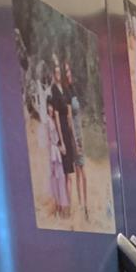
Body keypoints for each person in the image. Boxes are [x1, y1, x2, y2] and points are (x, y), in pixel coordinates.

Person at [50, 52, 76, 212]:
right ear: (54, 74)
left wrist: (72, 136)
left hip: (67, 131)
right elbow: (58, 118)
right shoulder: (54, 91)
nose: (59, 74)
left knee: (69, 173)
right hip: (62, 134)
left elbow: (68, 114)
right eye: (57, 72)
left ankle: (70, 205)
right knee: (63, 172)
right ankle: (64, 206)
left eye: (60, 71)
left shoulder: (65, 90)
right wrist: (61, 141)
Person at [64, 59, 88, 214]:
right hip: (75, 138)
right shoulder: (66, 94)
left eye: (68, 70)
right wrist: (75, 142)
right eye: (66, 71)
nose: (68, 74)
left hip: (79, 135)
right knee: (80, 174)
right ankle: (82, 206)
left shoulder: (73, 90)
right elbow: (69, 119)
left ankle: (84, 205)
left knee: (82, 174)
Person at [45, 95, 69, 219]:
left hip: (56, 152)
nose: (50, 108)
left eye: (52, 106)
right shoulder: (48, 121)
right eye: (49, 106)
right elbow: (48, 140)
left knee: (60, 180)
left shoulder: (54, 120)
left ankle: (61, 207)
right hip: (53, 154)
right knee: (56, 181)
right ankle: (57, 207)